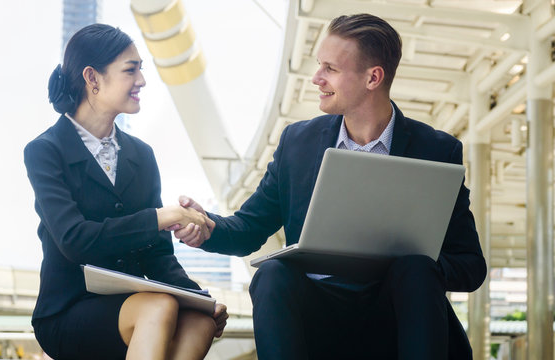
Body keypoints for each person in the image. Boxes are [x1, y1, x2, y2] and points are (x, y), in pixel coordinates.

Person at [173, 13, 486, 360]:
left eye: (330, 69)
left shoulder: (437, 151)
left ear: (373, 77)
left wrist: (417, 264)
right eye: (319, 66)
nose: (316, 78)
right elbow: (250, 227)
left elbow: (470, 265)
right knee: (273, 273)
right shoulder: (298, 142)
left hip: (396, 316)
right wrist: (208, 228)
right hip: (317, 319)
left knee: (416, 269)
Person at [24, 24, 227, 360]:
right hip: (68, 310)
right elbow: (74, 240)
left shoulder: (141, 155)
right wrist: (163, 217)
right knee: (158, 307)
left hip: (137, 306)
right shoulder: (45, 150)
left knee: (198, 321)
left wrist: (201, 299)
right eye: (130, 70)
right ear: (93, 78)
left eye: (140, 70)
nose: (142, 81)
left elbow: (157, 256)